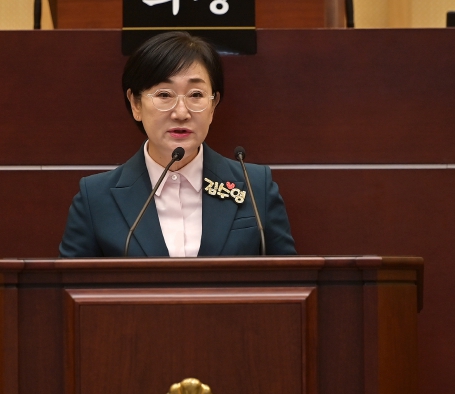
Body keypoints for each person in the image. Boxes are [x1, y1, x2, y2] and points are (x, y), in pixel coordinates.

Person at [58, 31, 296, 257]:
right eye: (164, 95)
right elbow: (73, 285)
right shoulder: (96, 198)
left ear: (213, 105)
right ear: (136, 104)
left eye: (196, 95)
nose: (181, 113)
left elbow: (289, 280)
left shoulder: (255, 188)